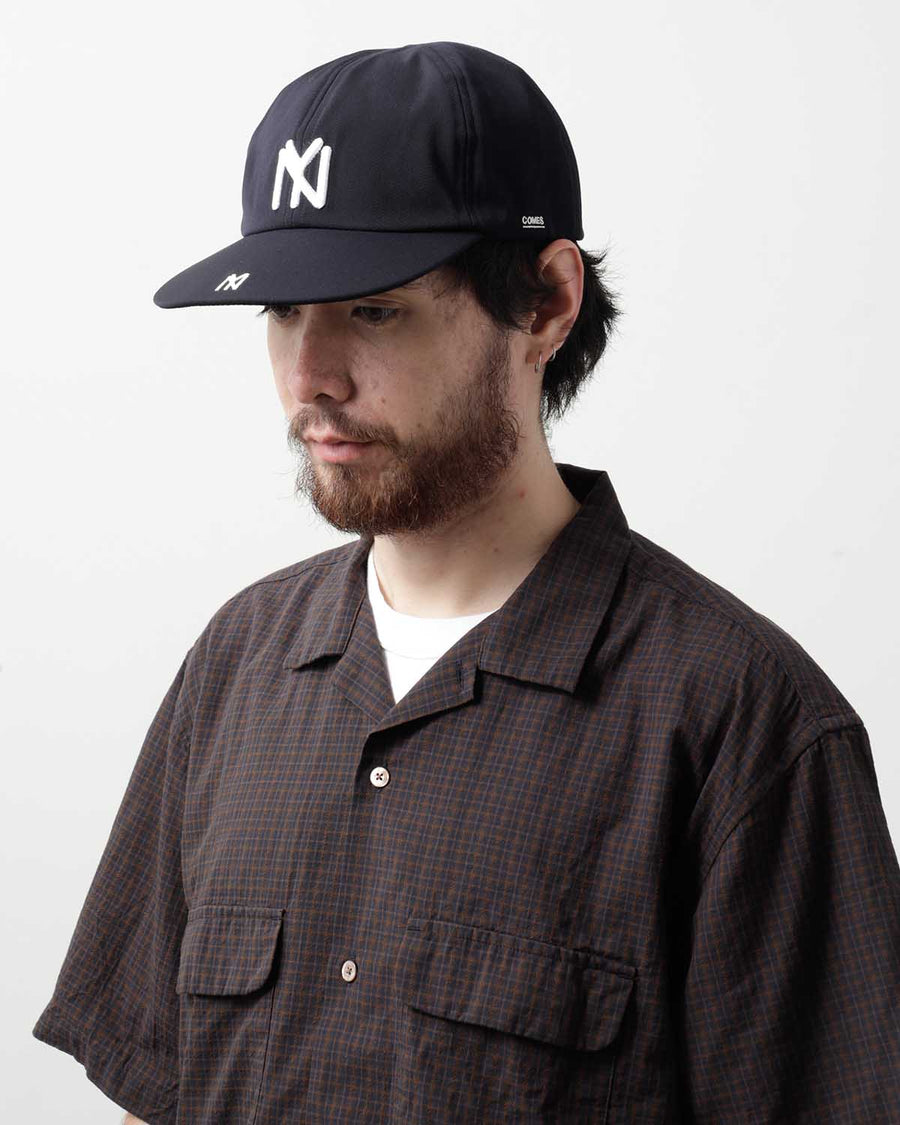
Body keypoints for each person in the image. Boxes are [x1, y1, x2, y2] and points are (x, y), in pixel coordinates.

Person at [32, 40, 900, 1125]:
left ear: (545, 304)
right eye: (283, 313)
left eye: (372, 310)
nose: (310, 378)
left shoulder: (740, 724)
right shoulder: (237, 667)